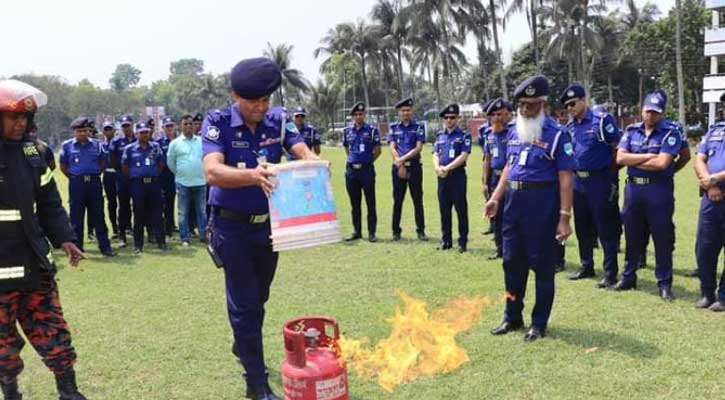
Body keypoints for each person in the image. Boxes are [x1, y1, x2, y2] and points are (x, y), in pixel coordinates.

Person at [202, 57, 320, 400]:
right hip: (231, 228)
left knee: (260, 297)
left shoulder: (278, 120)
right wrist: (253, 176)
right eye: (254, 101)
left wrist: (314, 163)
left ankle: (243, 344)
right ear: (235, 95)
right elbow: (212, 172)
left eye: (266, 100)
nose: (261, 107)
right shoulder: (218, 121)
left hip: (270, 228)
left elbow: (301, 152)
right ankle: (256, 384)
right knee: (245, 305)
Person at [0, 79, 87, 400]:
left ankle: (69, 392)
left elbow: (50, 204)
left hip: (35, 267)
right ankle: (10, 393)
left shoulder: (35, 154)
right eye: (12, 117)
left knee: (54, 333)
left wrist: (66, 239)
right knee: (2, 348)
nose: (20, 123)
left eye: (25, 118)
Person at [485, 75, 575, 341]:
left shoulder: (558, 134)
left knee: (543, 266)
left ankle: (539, 323)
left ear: (543, 103)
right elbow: (509, 167)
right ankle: (512, 316)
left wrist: (564, 217)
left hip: (542, 204)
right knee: (511, 262)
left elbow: (566, 177)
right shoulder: (514, 130)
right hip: (514, 203)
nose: (525, 109)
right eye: (522, 104)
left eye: (531, 105)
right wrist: (496, 197)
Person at [614, 90, 681, 301]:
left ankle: (664, 283)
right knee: (632, 234)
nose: (650, 116)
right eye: (647, 111)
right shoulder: (631, 130)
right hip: (633, 190)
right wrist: (647, 156)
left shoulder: (671, 132)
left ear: (662, 113)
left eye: (655, 112)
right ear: (641, 110)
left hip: (658, 190)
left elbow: (662, 163)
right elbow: (620, 158)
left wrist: (637, 160)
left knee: (661, 237)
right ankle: (628, 276)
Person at [559, 84, 622, 288]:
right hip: (578, 182)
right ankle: (587, 265)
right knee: (583, 226)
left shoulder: (601, 121)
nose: (570, 108)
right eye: (566, 105)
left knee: (606, 226)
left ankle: (610, 272)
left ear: (583, 100)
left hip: (600, 180)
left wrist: (611, 175)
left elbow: (617, 148)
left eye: (572, 103)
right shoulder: (570, 127)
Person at [58, 117, 114, 257]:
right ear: (74, 132)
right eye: (79, 131)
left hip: (94, 183)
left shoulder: (97, 145)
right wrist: (74, 177)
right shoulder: (67, 146)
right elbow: (63, 165)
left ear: (89, 131)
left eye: (85, 131)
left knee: (98, 215)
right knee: (76, 217)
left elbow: (102, 162)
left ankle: (105, 248)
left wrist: (94, 173)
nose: (82, 133)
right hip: (77, 184)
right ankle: (78, 249)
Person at [691, 92, 725, 311]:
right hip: (711, 198)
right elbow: (699, 159)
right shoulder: (714, 130)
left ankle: (724, 297)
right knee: (704, 246)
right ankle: (707, 292)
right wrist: (710, 185)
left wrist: (715, 178)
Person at [121, 122, 167, 254]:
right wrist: (136, 176)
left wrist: (152, 174)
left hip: (153, 183)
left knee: (157, 213)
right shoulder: (130, 149)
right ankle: (138, 245)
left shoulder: (155, 147)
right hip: (138, 184)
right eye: (142, 132)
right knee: (138, 214)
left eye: (147, 132)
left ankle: (161, 242)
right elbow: (124, 167)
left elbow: (160, 164)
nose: (145, 135)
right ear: (137, 134)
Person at [433, 103, 471, 253]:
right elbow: (435, 153)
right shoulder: (439, 136)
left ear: (458, 118)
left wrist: (447, 168)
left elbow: (464, 155)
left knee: (460, 209)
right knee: (444, 210)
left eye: (452, 117)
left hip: (457, 177)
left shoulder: (464, 136)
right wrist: (437, 168)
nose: (449, 120)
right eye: (447, 118)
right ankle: (446, 240)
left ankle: (462, 241)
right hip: (442, 177)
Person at [388, 97, 427, 241]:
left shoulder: (418, 127)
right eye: (403, 110)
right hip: (398, 168)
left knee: (417, 200)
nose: (406, 113)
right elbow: (392, 147)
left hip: (415, 167)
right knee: (398, 200)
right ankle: (395, 231)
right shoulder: (393, 127)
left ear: (412, 111)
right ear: (399, 112)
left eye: (408, 110)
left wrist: (401, 160)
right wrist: (400, 164)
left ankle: (421, 231)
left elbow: (418, 147)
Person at [342, 102, 381, 242]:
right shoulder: (347, 131)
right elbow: (347, 149)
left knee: (370, 202)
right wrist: (354, 160)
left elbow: (377, 151)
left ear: (365, 115)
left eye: (361, 114)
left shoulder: (371, 130)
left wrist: (367, 161)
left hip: (366, 170)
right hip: (352, 171)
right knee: (355, 203)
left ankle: (372, 233)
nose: (359, 116)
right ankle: (357, 231)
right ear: (352, 116)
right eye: (356, 115)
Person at [167, 114, 207, 247]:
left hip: (200, 182)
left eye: (191, 124)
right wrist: (181, 173)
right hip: (183, 183)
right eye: (186, 124)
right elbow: (171, 163)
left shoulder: (202, 141)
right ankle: (185, 237)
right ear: (180, 126)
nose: (189, 126)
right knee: (183, 212)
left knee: (202, 211)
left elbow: (207, 158)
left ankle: (203, 235)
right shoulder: (175, 143)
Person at [481, 98, 514, 259]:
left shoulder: (513, 132)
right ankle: (500, 248)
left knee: (513, 214)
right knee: (497, 215)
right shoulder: (489, 134)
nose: (497, 118)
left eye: (500, 114)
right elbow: (487, 158)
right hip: (495, 177)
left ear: (507, 115)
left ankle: (514, 249)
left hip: (512, 178)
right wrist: (484, 182)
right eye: (493, 115)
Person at [109, 115, 136, 247]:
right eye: (124, 126)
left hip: (137, 178)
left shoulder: (139, 138)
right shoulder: (116, 141)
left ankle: (140, 234)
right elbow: (112, 160)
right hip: (123, 178)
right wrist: (121, 171)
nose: (126, 128)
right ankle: (122, 236)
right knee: (123, 207)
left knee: (140, 206)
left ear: (132, 125)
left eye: (128, 125)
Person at [156, 117, 177, 237]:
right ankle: (162, 227)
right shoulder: (159, 142)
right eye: (167, 126)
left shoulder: (179, 141)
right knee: (161, 202)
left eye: (171, 126)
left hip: (175, 175)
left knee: (171, 201)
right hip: (162, 175)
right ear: (163, 128)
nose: (169, 128)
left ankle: (170, 228)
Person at [100, 121, 119, 239]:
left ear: (114, 130)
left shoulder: (119, 143)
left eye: (110, 129)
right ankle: (115, 229)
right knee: (112, 203)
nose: (108, 131)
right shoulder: (101, 145)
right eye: (106, 129)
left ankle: (126, 227)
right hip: (108, 175)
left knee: (124, 202)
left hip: (120, 174)